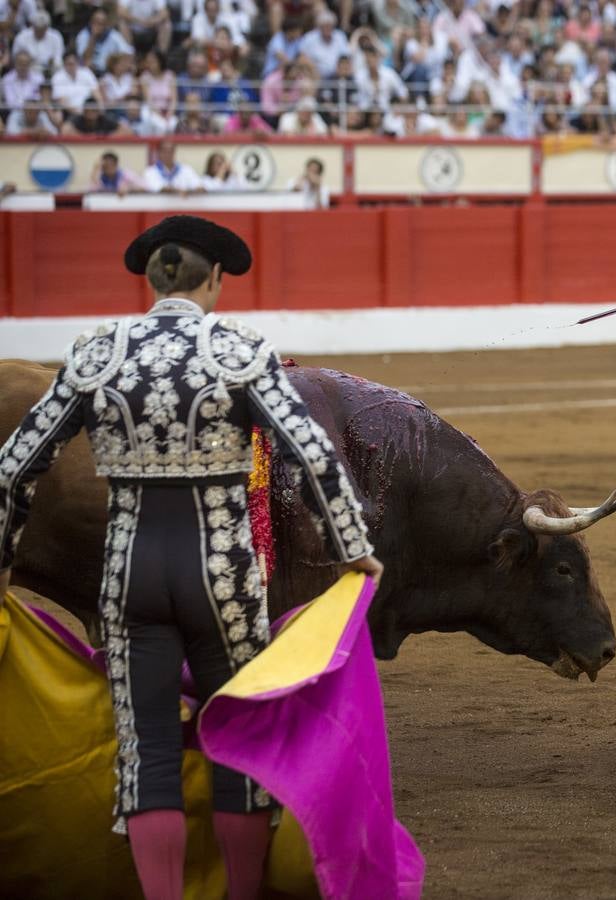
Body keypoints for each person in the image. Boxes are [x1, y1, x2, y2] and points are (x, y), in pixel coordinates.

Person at [0, 215, 383, 899]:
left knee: (147, 753)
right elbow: (314, 456)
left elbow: (15, 467)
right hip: (223, 574)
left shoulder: (96, 354)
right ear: (214, 279)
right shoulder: (239, 352)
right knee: (235, 740)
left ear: (149, 280)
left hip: (129, 572)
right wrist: (354, 550)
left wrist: (3, 559)